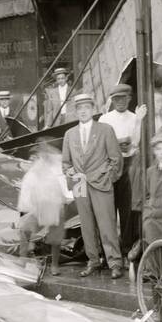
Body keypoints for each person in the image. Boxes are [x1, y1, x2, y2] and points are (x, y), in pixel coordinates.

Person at [62, 92, 124, 278]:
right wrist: (70, 173)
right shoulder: (69, 134)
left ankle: (114, 262)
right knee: (87, 226)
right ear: (75, 112)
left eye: (86, 108)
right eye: (79, 109)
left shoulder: (105, 130)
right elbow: (66, 163)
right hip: (80, 184)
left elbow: (116, 159)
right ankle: (93, 261)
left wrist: (107, 178)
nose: (83, 111)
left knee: (107, 224)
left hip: (101, 183)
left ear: (93, 109)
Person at [99, 83, 145, 256]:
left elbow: (136, 143)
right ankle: (109, 253)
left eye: (123, 98)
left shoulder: (135, 118)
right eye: (116, 99)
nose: (120, 102)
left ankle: (127, 249)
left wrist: (137, 125)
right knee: (108, 210)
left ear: (129, 99)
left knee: (127, 210)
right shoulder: (105, 119)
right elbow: (100, 144)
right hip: (110, 166)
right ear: (112, 100)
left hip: (128, 165)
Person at [16, 139, 73, 274]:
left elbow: (65, 179)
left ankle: (54, 265)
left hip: (56, 204)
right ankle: (22, 259)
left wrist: (65, 199)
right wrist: (26, 207)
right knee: (24, 229)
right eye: (40, 150)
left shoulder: (58, 161)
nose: (42, 152)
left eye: (44, 149)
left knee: (55, 238)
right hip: (38, 207)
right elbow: (28, 186)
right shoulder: (36, 166)